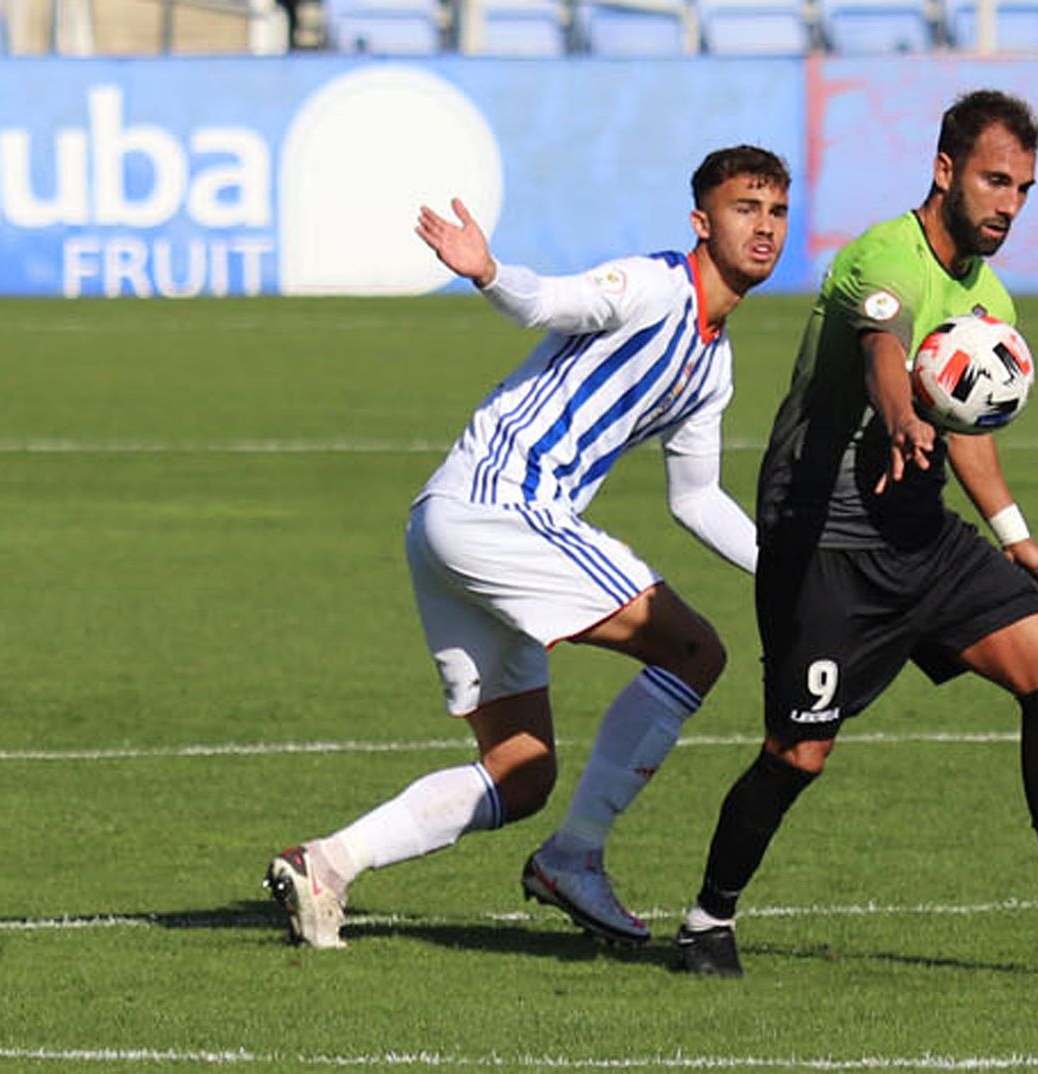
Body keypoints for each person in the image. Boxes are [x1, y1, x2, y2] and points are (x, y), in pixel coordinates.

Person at [673, 92, 1038, 976]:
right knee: (799, 754)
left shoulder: (990, 296)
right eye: (994, 180)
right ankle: (705, 923)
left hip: (920, 535)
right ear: (945, 171)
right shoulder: (885, 254)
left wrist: (1014, 534)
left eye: (1023, 188)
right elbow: (884, 344)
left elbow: (970, 428)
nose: (1008, 205)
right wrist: (902, 414)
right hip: (823, 541)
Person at [264, 145, 791, 950]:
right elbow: (548, 301)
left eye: (777, 211)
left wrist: (787, 568)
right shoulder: (652, 285)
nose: (763, 227)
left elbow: (694, 499)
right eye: (744, 209)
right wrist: (487, 272)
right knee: (694, 650)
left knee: (522, 771)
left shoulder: (711, 365)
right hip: (502, 510)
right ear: (701, 222)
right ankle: (573, 861)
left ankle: (326, 864)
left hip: (449, 526)